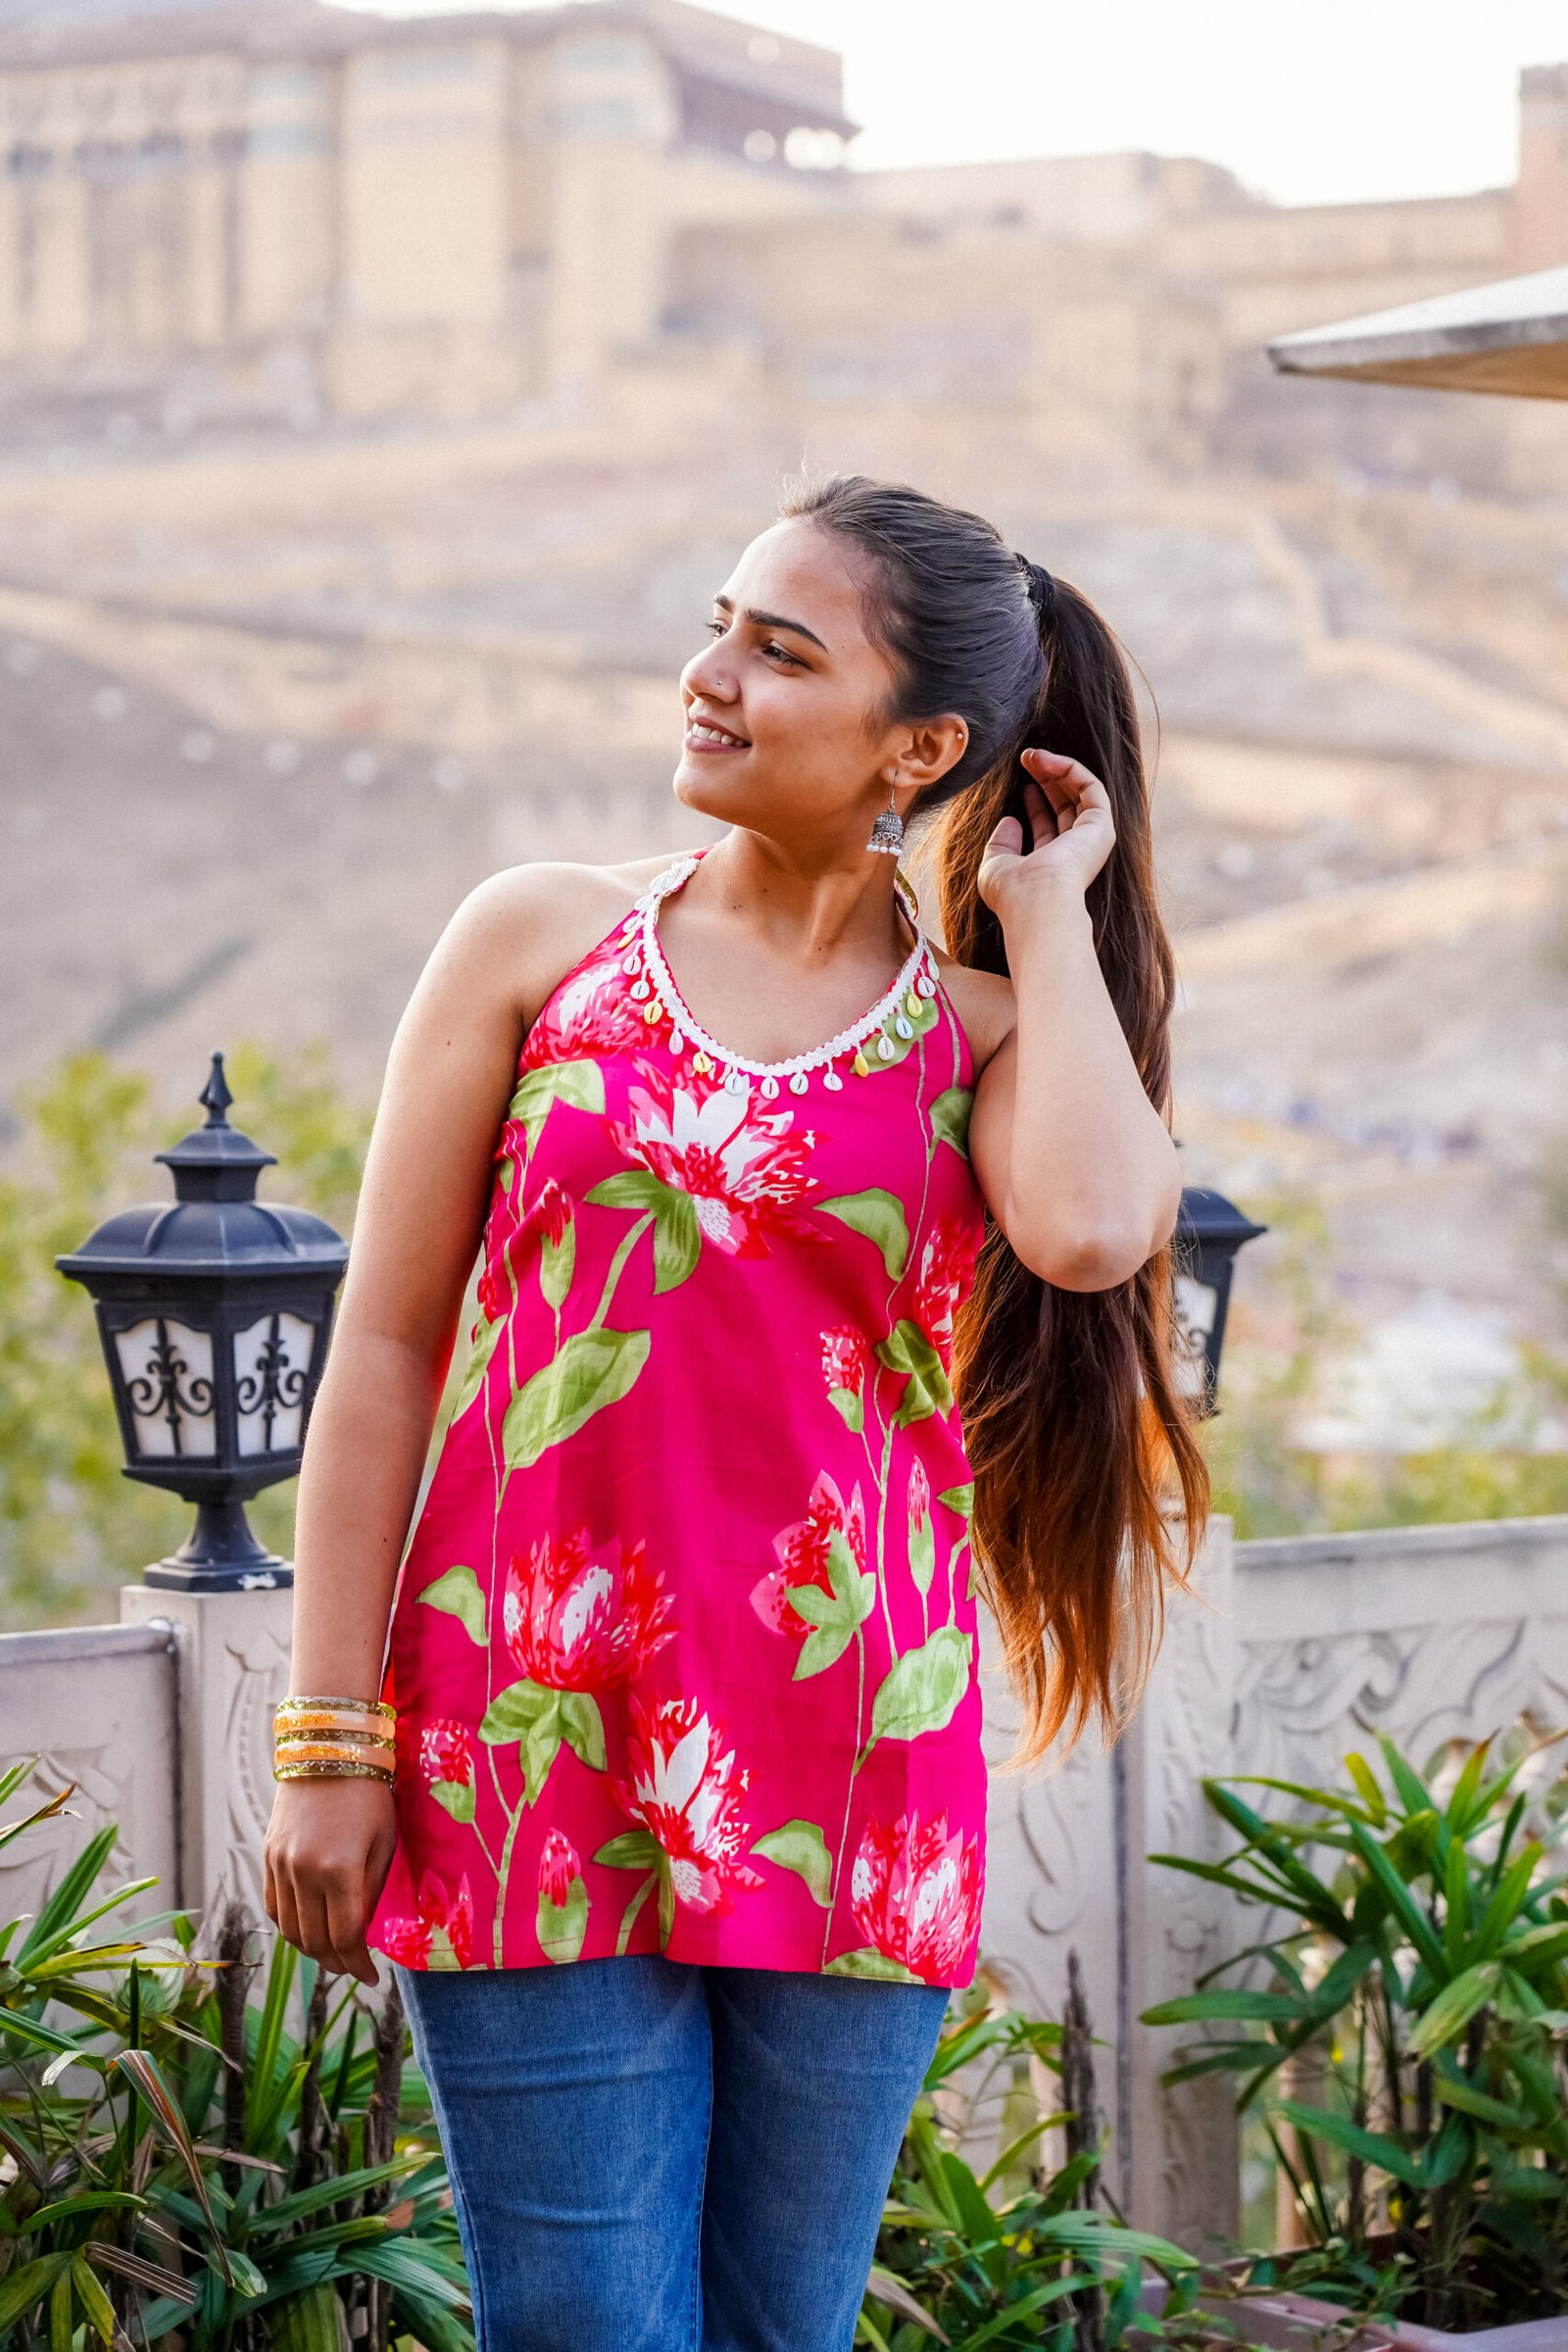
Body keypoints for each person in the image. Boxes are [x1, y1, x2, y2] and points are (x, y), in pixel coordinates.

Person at [263, 472, 1209, 2352]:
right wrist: (326, 1734)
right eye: (718, 623)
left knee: (784, 2330)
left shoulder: (987, 1031)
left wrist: (1047, 910)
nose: (708, 677)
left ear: (918, 744)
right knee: (584, 2327)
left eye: (778, 651)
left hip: (857, 1761)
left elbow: (1098, 1233)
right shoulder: (538, 944)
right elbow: (383, 1346)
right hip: (526, 1734)